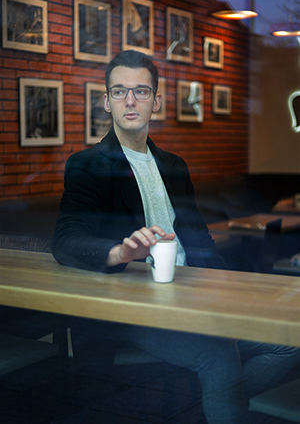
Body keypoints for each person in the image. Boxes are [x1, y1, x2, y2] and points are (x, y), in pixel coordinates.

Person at [52, 50, 300, 424]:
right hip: (133, 311)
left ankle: (206, 406)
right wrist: (120, 252)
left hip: (192, 297)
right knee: (218, 354)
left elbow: (201, 242)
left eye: (141, 91)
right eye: (119, 91)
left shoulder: (173, 165)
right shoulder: (87, 165)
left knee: (287, 343)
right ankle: (218, 402)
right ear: (106, 101)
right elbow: (66, 240)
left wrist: (232, 290)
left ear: (156, 101)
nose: (130, 100)